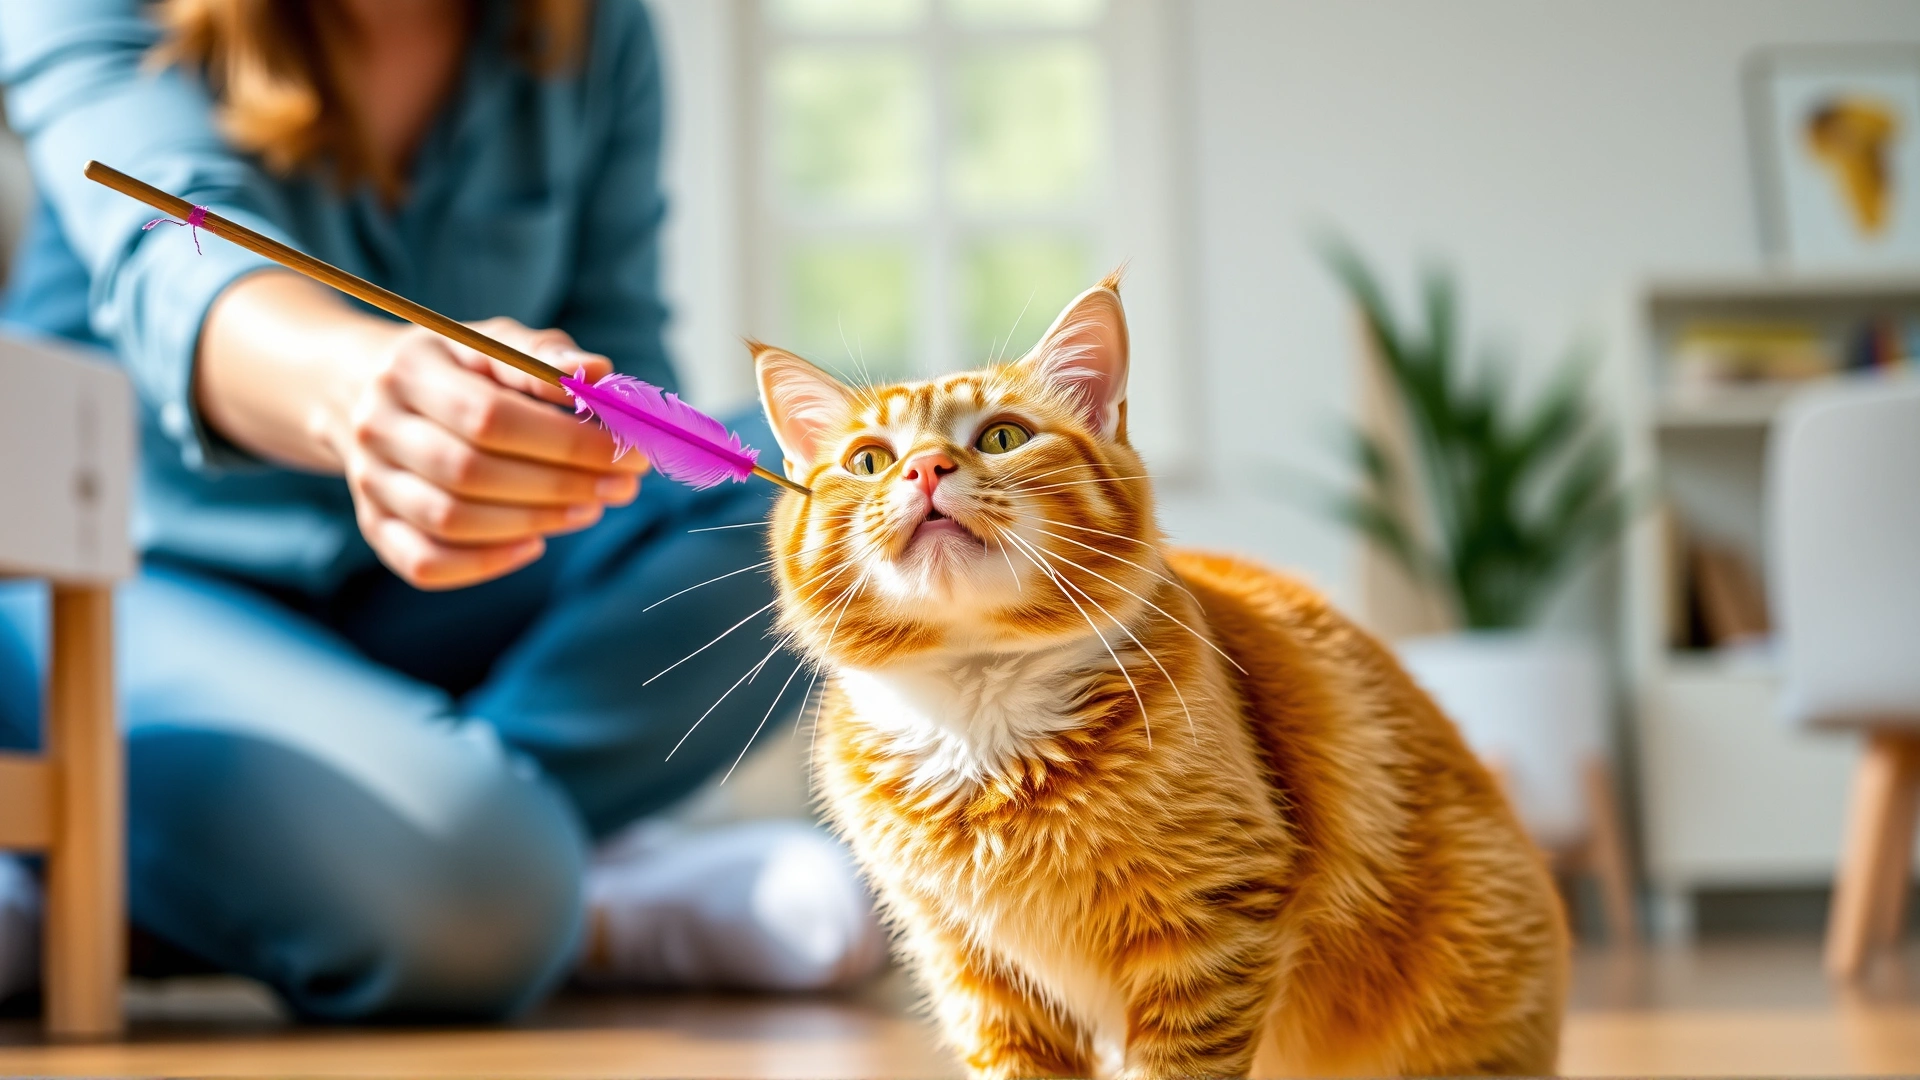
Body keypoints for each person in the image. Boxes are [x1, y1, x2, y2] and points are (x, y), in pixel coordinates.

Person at [0, 0, 883, 1019]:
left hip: (449, 603)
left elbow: (627, 360)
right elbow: (174, 249)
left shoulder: (594, 32)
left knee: (830, 502)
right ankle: (531, 880)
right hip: (119, 586)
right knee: (480, 897)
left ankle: (436, 845)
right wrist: (356, 391)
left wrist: (559, 421)